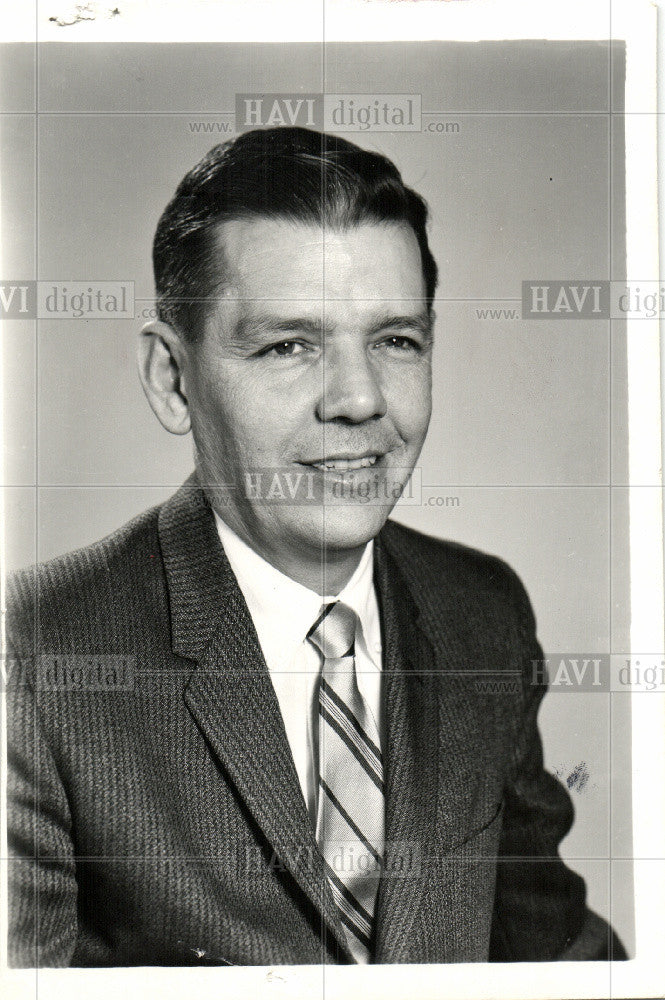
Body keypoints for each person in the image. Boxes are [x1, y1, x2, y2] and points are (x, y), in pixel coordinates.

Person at [5, 126, 626, 967]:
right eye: (288, 345)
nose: (360, 398)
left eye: (394, 340)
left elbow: (555, 957)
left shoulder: (483, 610)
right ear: (172, 379)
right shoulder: (36, 655)